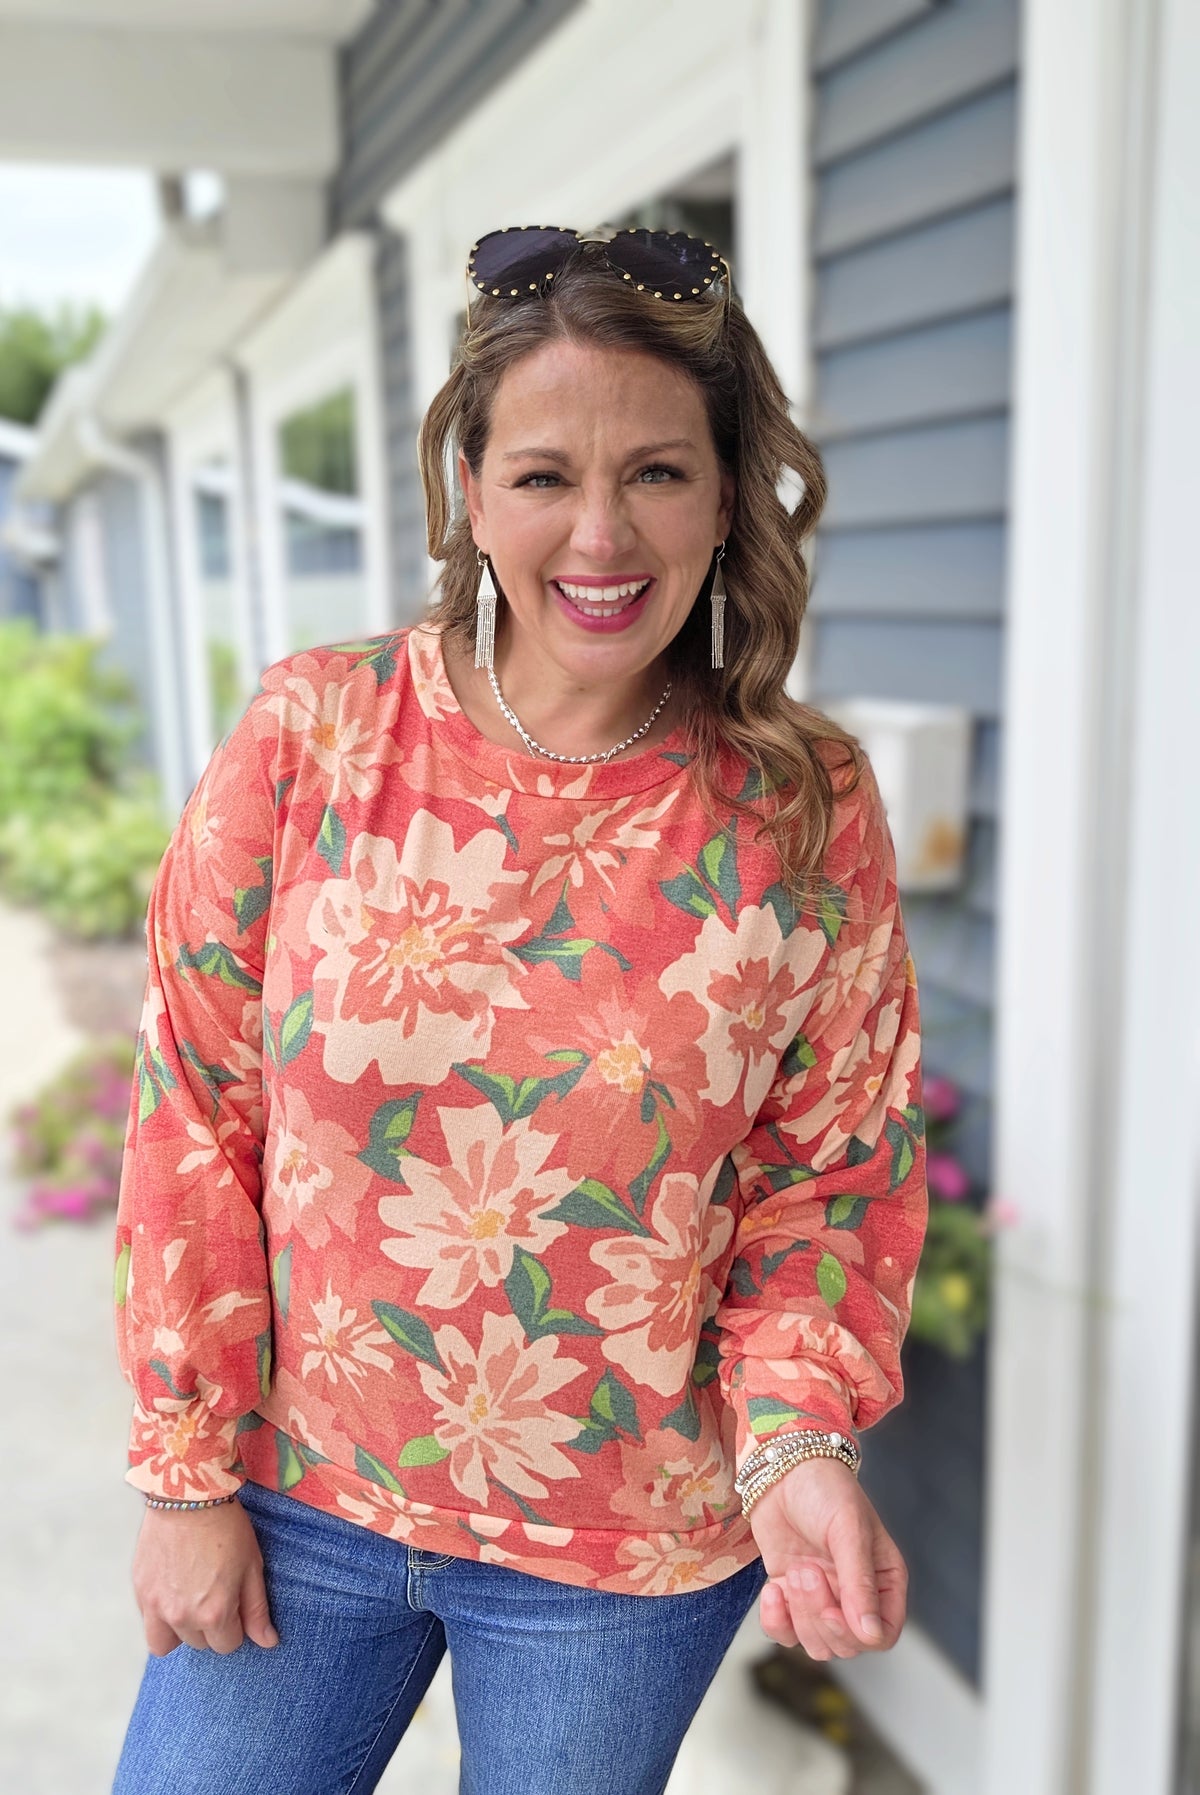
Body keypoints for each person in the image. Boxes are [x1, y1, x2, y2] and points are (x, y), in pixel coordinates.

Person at [110, 225, 928, 1795]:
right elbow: (199, 1101)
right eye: (547, 474)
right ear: (470, 493)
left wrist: (800, 1447)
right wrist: (184, 1472)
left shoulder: (803, 805)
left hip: (622, 1563)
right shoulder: (321, 734)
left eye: (661, 474)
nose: (602, 533)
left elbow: (829, 1178)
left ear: (729, 493)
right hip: (299, 1498)